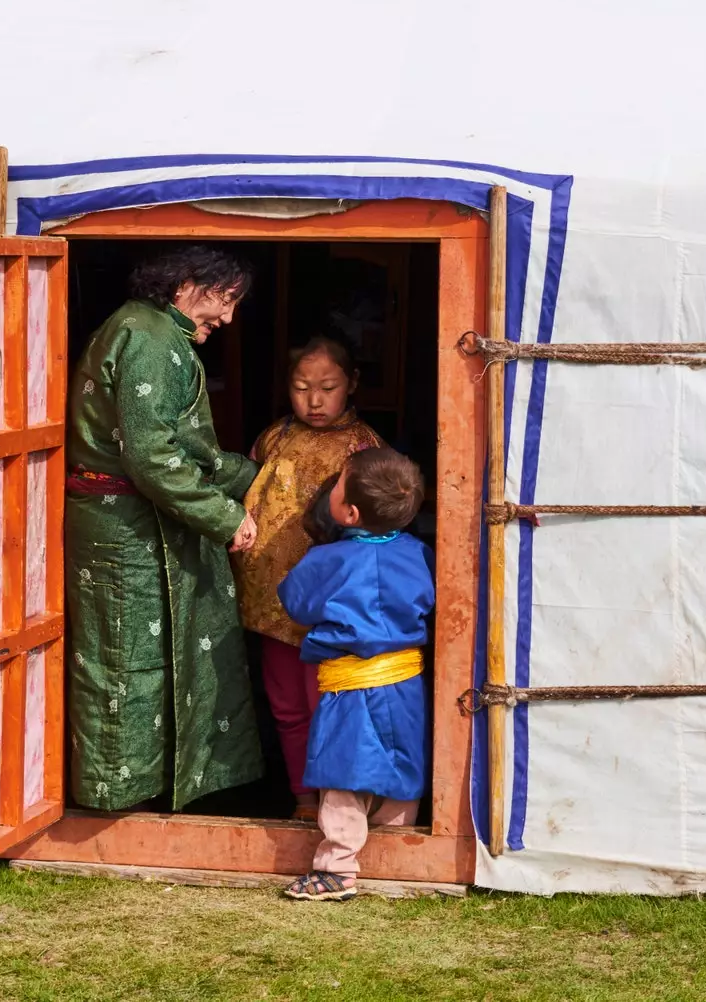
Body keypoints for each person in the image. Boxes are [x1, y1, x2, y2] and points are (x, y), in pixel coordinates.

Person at [65, 246, 264, 811]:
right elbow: (153, 457)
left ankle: (144, 795)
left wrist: (256, 476)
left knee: (143, 657)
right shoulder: (149, 339)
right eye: (225, 299)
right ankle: (116, 806)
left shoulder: (152, 330)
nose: (227, 317)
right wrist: (227, 516)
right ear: (186, 283)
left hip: (131, 523)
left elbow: (186, 449)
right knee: (126, 660)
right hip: (122, 530)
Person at [232, 338, 383, 821]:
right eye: (301, 388)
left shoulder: (365, 448)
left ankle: (333, 802)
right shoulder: (273, 437)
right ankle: (301, 798)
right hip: (272, 601)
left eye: (327, 387)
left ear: (352, 384)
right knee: (286, 706)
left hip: (330, 607)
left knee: (327, 706)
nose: (314, 401)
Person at [277, 447, 433, 901]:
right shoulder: (419, 554)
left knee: (342, 771)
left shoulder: (328, 561)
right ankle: (398, 851)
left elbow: (295, 602)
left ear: (349, 512)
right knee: (403, 762)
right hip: (406, 683)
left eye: (339, 481)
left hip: (351, 686)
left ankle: (338, 867)